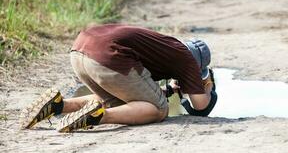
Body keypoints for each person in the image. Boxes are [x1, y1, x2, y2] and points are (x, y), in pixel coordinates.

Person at [20, 24, 217, 132]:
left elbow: (135, 87)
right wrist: (207, 86)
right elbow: (200, 106)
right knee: (158, 109)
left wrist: (169, 90)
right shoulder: (188, 60)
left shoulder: (169, 47)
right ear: (198, 64)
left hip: (80, 50)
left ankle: (59, 106)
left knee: (123, 99)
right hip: (107, 56)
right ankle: (99, 116)